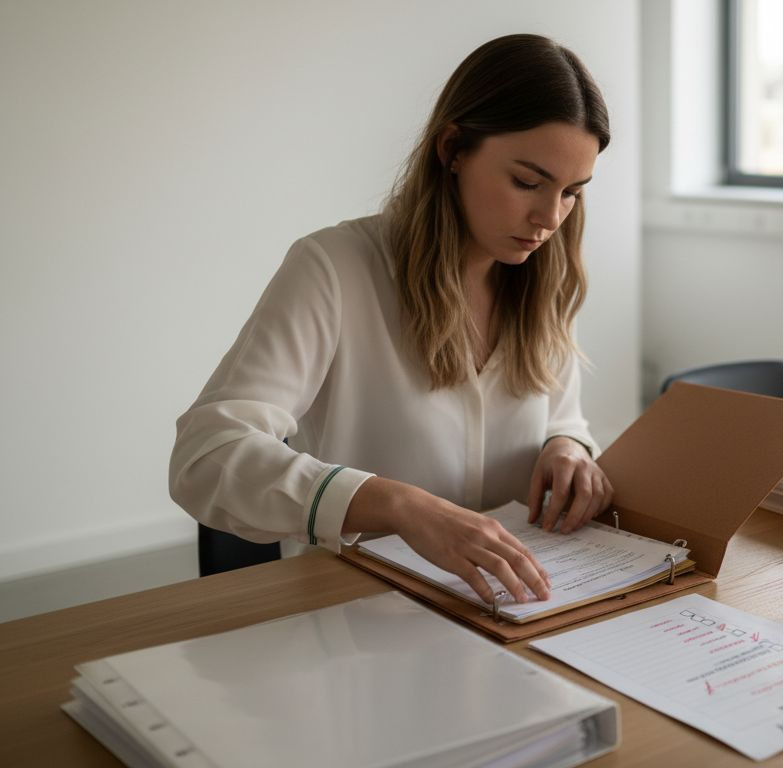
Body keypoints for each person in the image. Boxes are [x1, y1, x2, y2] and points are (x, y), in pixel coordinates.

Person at [169, 34, 614, 607]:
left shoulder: (544, 278)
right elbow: (207, 457)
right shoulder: (334, 268)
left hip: (519, 613)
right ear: (453, 147)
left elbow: (562, 419)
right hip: (359, 617)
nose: (549, 217)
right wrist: (398, 505)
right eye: (527, 182)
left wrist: (569, 448)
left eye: (572, 192)